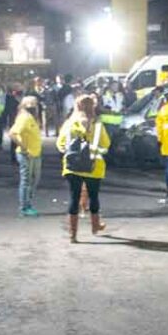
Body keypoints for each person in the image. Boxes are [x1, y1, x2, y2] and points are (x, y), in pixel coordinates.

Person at [57, 95, 111, 243]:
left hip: (73, 167)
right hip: (94, 166)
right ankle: (95, 226)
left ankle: (73, 234)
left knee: (74, 198)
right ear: (92, 107)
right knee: (94, 197)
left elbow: (60, 144)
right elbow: (106, 145)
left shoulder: (69, 124)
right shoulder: (98, 126)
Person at [9, 97, 43, 217]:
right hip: (27, 154)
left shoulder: (32, 118)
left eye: (35, 103)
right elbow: (12, 133)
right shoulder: (25, 118)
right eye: (32, 104)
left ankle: (28, 203)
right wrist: (23, 147)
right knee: (26, 181)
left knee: (34, 179)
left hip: (36, 153)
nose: (34, 106)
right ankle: (24, 207)